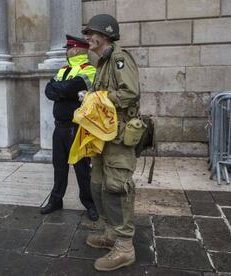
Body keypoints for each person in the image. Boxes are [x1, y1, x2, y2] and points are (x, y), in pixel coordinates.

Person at [82, 14, 140, 271]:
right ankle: (111, 234)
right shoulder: (102, 62)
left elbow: (130, 93)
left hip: (118, 136)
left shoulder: (119, 59)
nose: (86, 38)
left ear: (103, 35)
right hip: (102, 134)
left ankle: (125, 247)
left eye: (90, 34)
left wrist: (100, 97)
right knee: (98, 185)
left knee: (117, 187)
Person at [40, 34, 99, 221]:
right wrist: (63, 90)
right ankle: (56, 200)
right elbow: (49, 90)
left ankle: (90, 203)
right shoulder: (63, 70)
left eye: (68, 48)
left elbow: (67, 89)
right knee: (59, 167)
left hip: (77, 128)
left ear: (76, 50)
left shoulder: (89, 69)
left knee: (82, 169)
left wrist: (62, 90)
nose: (66, 51)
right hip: (60, 128)